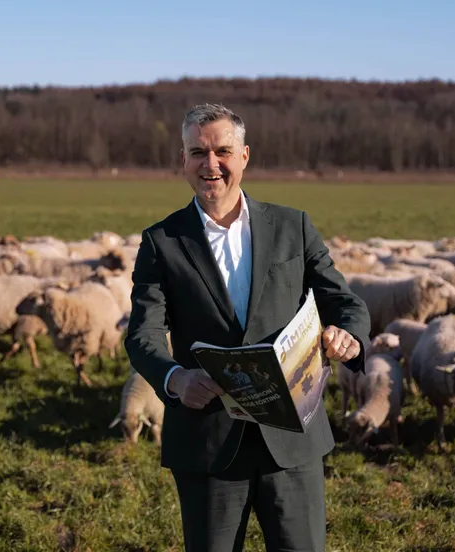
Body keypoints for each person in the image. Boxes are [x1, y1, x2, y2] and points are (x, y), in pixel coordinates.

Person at [124, 103, 371, 551]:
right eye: (198, 152)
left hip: (292, 439)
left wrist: (348, 333)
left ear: (244, 156)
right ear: (183, 161)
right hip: (209, 441)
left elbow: (342, 301)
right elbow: (142, 334)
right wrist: (175, 379)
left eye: (222, 151)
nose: (211, 164)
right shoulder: (161, 241)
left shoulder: (292, 226)